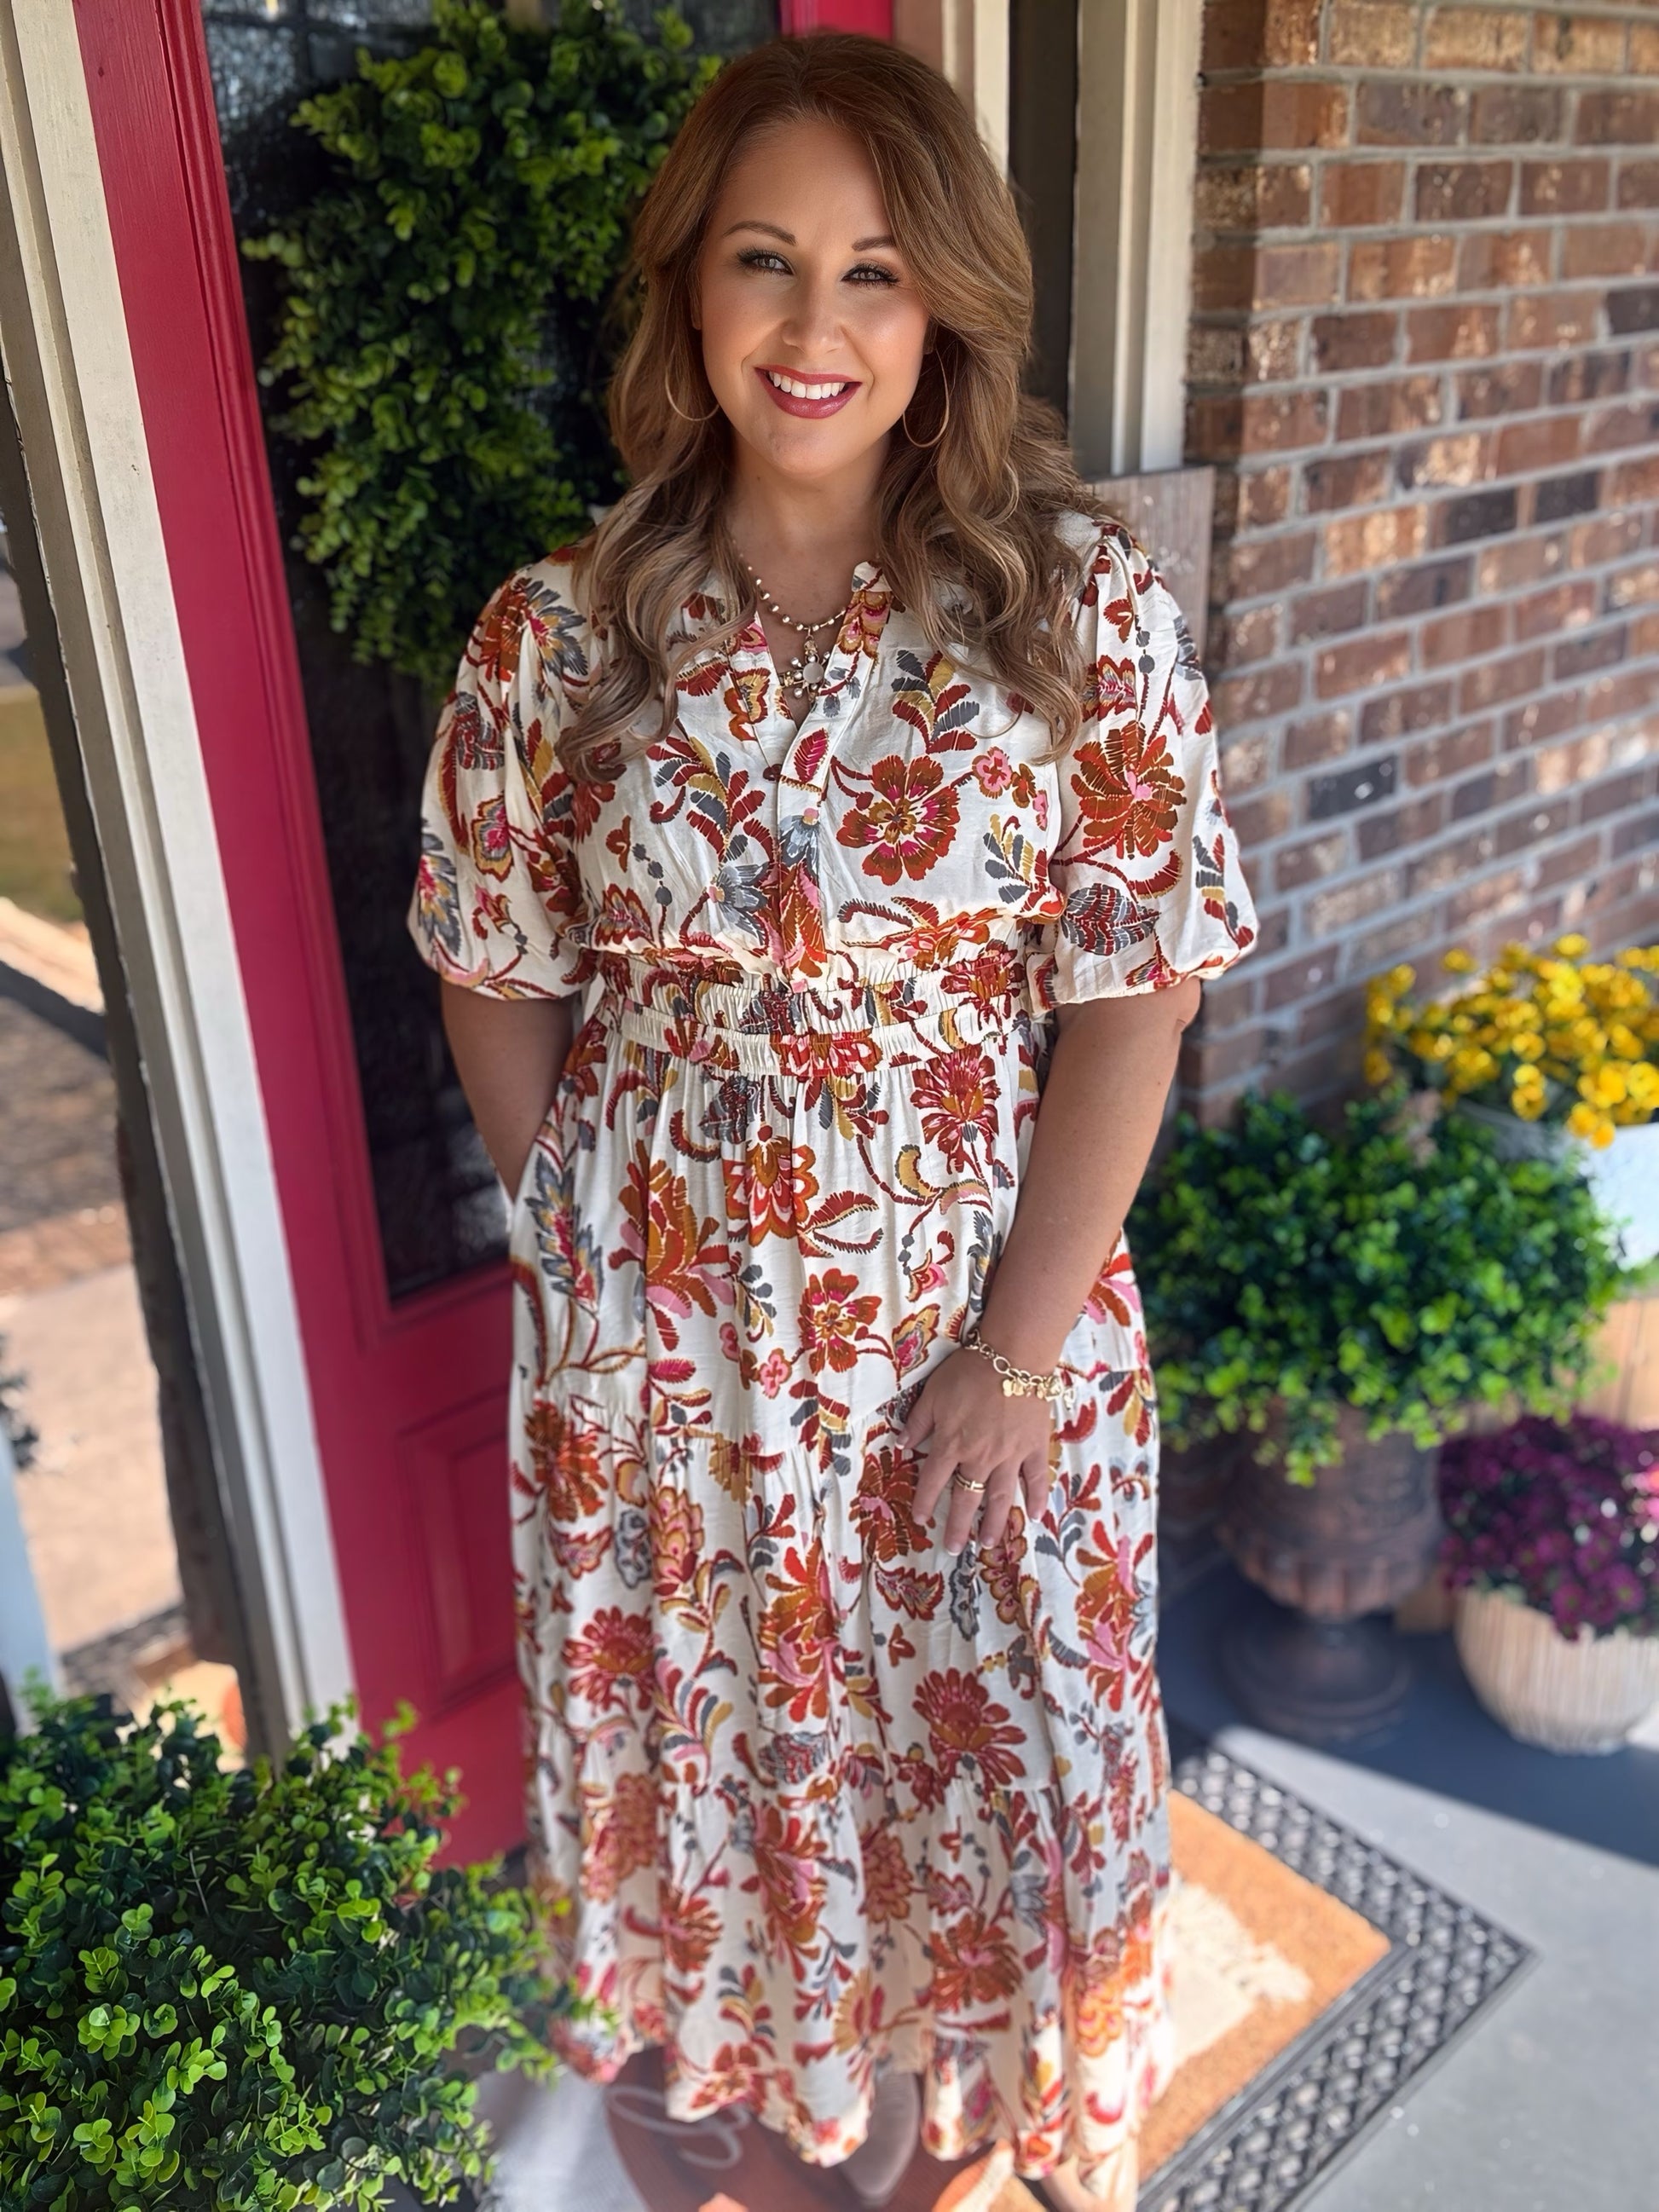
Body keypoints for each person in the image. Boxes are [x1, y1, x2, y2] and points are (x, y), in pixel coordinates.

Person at [408, 30, 1256, 2209]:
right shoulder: (555, 633)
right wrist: (583, 1226)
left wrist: (1012, 1350)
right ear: (689, 286)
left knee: (1006, 1751)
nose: (815, 324)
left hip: (980, 1332)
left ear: (943, 305)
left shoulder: (1073, 611)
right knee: (735, 1761)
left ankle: (969, 2126)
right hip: (665, 1362)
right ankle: (799, 2128)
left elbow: (1136, 989)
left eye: (875, 271)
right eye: (765, 258)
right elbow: (493, 957)